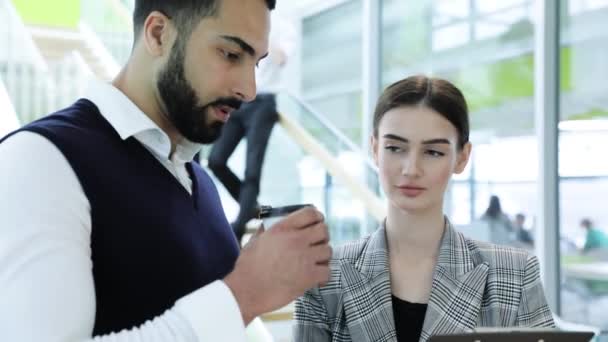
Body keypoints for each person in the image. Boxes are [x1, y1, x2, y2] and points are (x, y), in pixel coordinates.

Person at [0, 1, 332, 341]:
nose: (248, 90)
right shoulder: (41, 160)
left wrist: (260, 278)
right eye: (231, 54)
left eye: (256, 62)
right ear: (158, 34)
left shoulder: (199, 182)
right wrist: (243, 294)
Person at [293, 75, 554, 342]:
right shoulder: (322, 278)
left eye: (433, 152)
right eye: (395, 148)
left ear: (462, 157)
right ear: (374, 149)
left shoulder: (514, 274)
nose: (411, 169)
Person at [208, 13, 295, 244]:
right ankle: (251, 209)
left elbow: (281, 57)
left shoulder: (282, 24)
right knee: (216, 160)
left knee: (252, 170)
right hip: (240, 101)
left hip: (263, 103)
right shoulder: (244, 16)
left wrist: (264, 32)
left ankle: (238, 226)